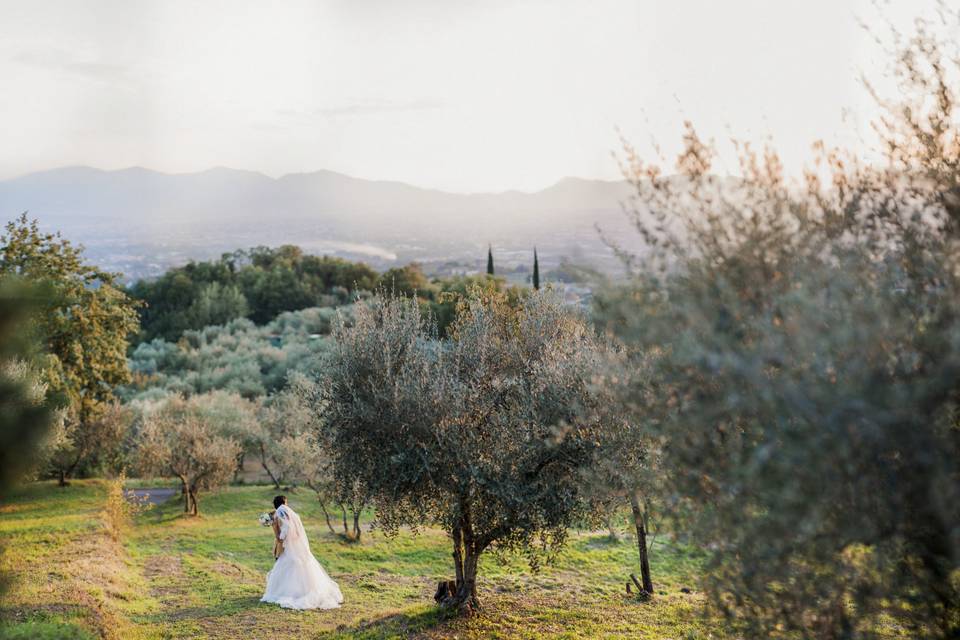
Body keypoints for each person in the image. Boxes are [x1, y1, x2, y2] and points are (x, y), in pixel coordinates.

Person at [261, 495, 344, 610]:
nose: (287, 505)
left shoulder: (280, 511)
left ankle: (289, 593)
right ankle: (302, 591)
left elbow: (286, 528)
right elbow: (289, 527)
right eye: (286, 502)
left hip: (288, 545)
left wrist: (280, 536)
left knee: (287, 566)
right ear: (283, 503)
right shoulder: (285, 512)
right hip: (295, 545)